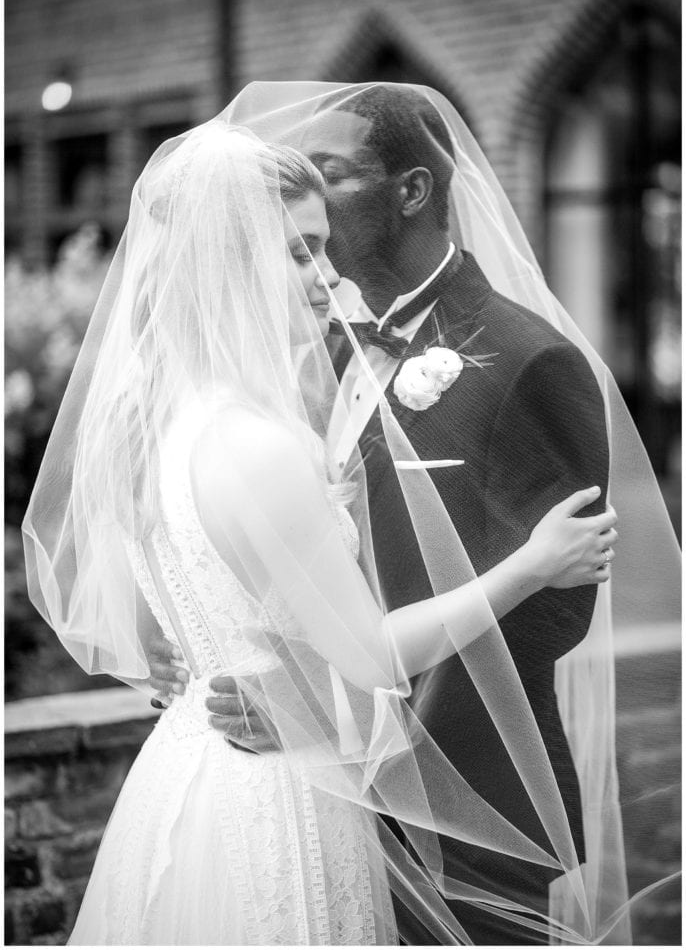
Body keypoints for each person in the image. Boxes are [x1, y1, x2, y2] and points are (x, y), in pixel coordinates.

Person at [23, 120, 620, 945]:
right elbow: (353, 640)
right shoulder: (256, 428)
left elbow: (558, 620)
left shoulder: (160, 418)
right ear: (227, 260)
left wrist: (306, 699)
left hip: (432, 788)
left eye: (322, 245)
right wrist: (527, 566)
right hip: (280, 794)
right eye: (302, 250)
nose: (327, 273)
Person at [151, 82, 680, 944]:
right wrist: (217, 645)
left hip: (466, 798)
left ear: (412, 191)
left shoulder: (529, 356)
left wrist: (318, 699)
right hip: (315, 793)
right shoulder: (303, 352)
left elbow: (556, 607)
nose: (310, 194)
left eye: (331, 173)